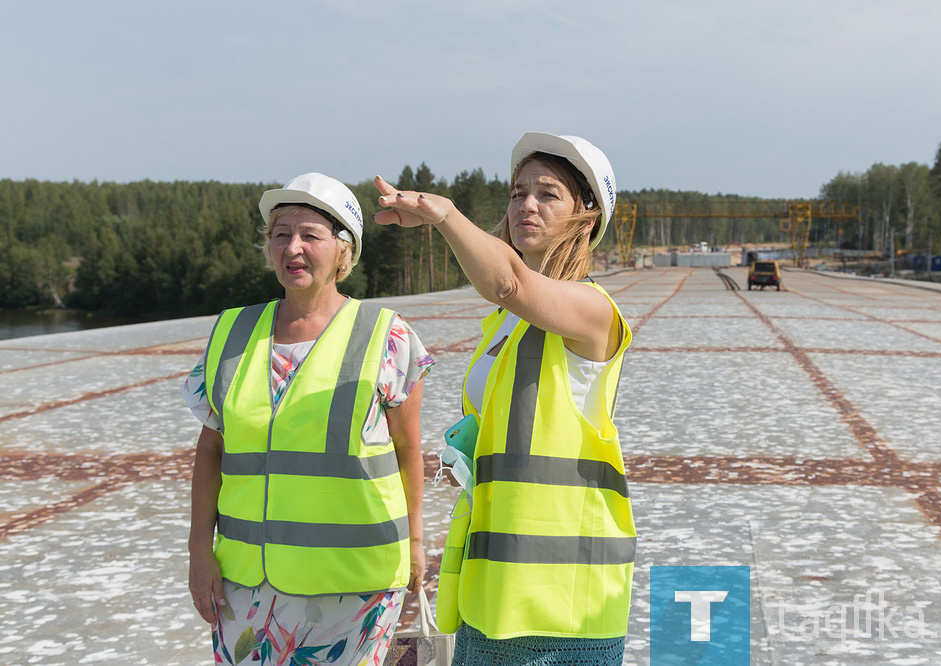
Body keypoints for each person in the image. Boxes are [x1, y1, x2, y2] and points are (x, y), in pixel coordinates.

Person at [374, 133, 636, 665]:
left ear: (586, 214)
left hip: (562, 602)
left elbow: (509, 282)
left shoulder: (593, 312)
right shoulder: (506, 326)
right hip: (493, 593)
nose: (526, 206)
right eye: (518, 193)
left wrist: (443, 214)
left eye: (547, 194)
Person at [182, 173, 434, 665]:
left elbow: (408, 450)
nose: (292, 248)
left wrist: (418, 542)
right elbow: (212, 448)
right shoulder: (232, 332)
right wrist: (199, 551)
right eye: (280, 234)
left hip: (355, 586)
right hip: (246, 585)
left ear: (344, 250)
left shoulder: (386, 336)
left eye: (310, 236)